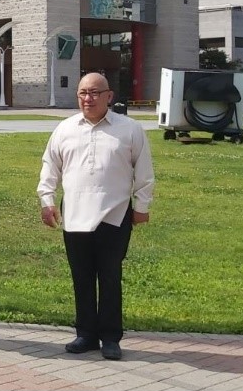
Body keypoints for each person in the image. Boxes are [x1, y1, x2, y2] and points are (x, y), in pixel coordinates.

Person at [37, 72, 155, 361]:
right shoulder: (65, 129)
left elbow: (144, 172)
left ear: (109, 96)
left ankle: (111, 338)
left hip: (114, 215)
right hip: (75, 214)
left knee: (111, 276)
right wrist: (47, 200)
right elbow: (50, 167)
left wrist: (141, 207)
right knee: (82, 276)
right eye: (82, 93)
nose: (87, 99)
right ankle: (86, 335)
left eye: (94, 93)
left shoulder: (129, 129)